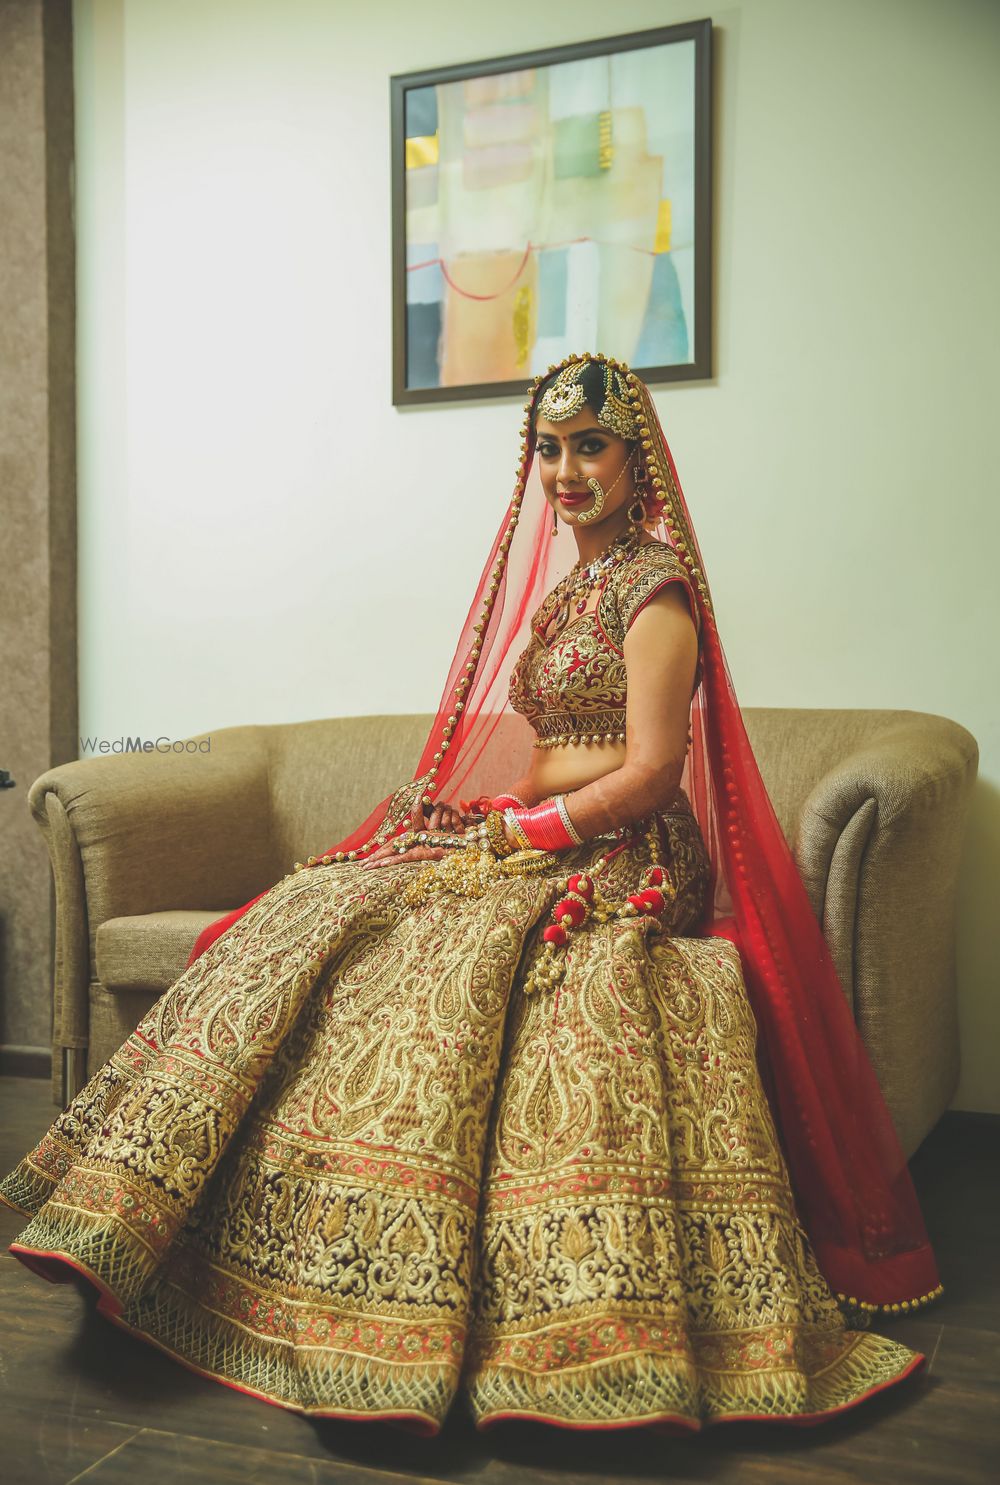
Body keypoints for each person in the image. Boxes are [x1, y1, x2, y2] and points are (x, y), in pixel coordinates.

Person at [0, 353, 941, 1435]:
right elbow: (542, 746)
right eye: (548, 448)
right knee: (323, 910)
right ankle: (152, 1227)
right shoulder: (564, 597)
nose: (565, 470)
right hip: (535, 834)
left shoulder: (654, 592)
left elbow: (647, 771)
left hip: (624, 852)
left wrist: (536, 827)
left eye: (589, 445)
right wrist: (496, 819)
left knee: (464, 957)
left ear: (636, 458)